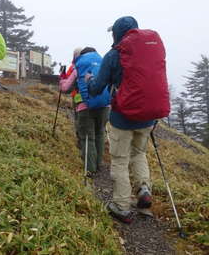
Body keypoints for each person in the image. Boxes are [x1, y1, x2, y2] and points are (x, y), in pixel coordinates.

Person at [86, 16, 170, 223]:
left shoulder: (114, 55)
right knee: (139, 154)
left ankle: (121, 205)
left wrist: (89, 81)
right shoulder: (151, 52)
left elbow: (97, 89)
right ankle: (143, 191)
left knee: (121, 160)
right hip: (148, 118)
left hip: (122, 118)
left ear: (116, 33)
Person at [60, 47, 110, 175]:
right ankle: (99, 164)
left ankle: (90, 169)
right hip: (104, 107)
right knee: (99, 134)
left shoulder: (79, 66)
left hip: (85, 107)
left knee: (88, 137)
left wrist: (62, 80)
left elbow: (65, 88)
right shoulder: (103, 63)